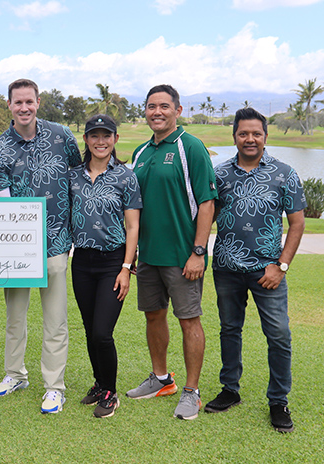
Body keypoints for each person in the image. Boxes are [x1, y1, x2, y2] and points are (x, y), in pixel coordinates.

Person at [204, 108, 305, 433]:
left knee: (278, 335)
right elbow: (206, 216)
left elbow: (297, 223)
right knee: (229, 329)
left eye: (256, 133)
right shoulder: (219, 175)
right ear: (235, 136)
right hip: (227, 268)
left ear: (265, 136)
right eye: (243, 133)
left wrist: (282, 265)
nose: (250, 139)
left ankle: (278, 400)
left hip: (268, 271)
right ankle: (230, 390)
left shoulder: (284, 173)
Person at [0, 78, 82, 414]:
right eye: (17, 103)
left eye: (29, 101)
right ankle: (15, 374)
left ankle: (54, 386)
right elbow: (0, 199)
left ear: (38, 102)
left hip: (56, 240)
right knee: (15, 316)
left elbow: (77, 178)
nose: (23, 108)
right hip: (16, 248)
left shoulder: (61, 136)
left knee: (55, 320)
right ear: (9, 105)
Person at [125, 84, 217, 420]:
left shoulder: (190, 147)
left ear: (177, 110)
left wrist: (198, 251)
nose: (157, 112)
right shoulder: (141, 152)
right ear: (145, 111)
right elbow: (133, 208)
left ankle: (191, 391)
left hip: (182, 257)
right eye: (151, 106)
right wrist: (131, 253)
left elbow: (207, 203)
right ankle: (161, 379)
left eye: (164, 106)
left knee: (189, 320)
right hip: (148, 256)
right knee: (153, 316)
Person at [69, 115, 141, 418]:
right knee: (89, 329)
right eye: (94, 136)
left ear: (115, 139)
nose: (101, 141)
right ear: (86, 140)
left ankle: (110, 392)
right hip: (82, 260)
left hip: (113, 261)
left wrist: (126, 267)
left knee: (102, 332)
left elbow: (133, 226)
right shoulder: (73, 176)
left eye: (106, 136)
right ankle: (99, 383)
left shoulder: (126, 176)